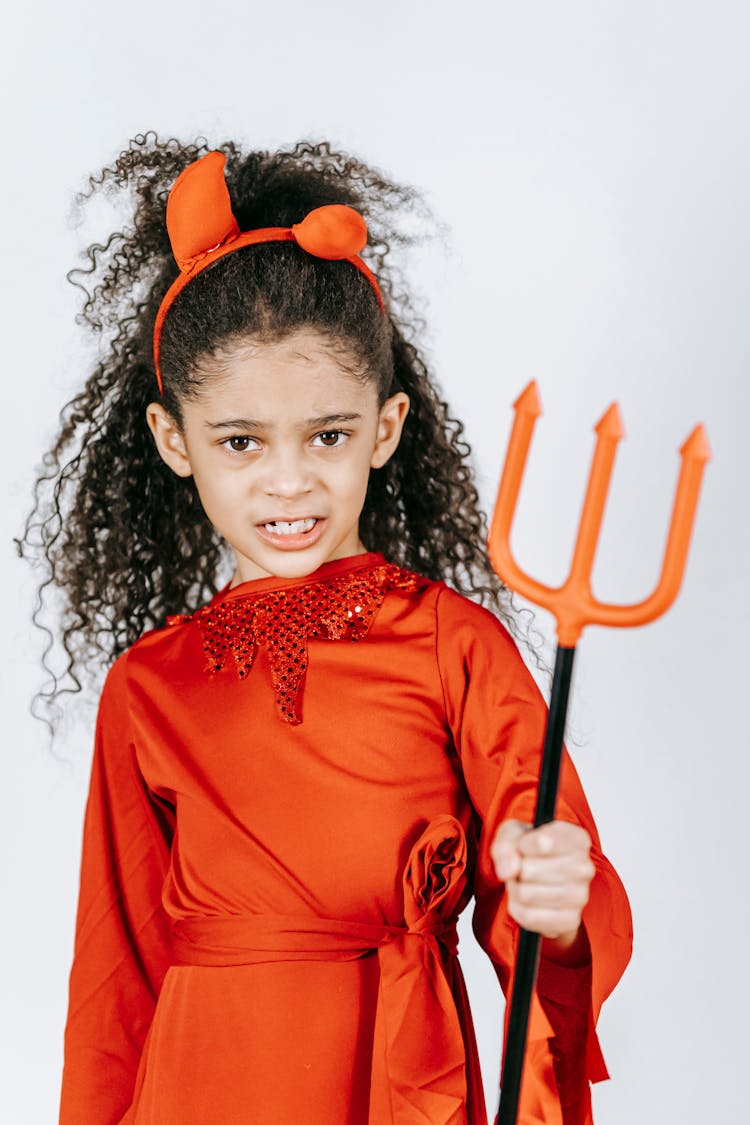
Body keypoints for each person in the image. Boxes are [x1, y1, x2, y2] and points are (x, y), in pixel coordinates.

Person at [24, 134, 632, 1124]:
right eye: (240, 441)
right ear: (176, 442)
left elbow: (549, 865)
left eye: (328, 434)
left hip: (390, 1080)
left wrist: (556, 906)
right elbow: (112, 986)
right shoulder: (147, 685)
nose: (289, 480)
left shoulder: (453, 643)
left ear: (384, 429)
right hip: (196, 1088)